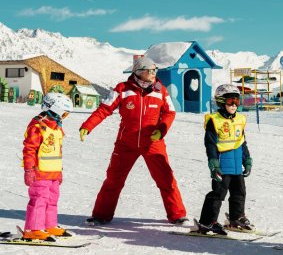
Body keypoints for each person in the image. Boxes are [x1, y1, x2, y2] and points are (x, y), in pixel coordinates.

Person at [79, 56, 188, 225]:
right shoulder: (122, 89)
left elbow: (170, 113)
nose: (153, 74)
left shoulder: (160, 90)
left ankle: (178, 215)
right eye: (149, 70)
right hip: (125, 144)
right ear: (138, 72)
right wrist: (88, 125)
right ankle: (101, 215)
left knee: (166, 179)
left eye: (154, 70)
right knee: (114, 179)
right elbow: (104, 109)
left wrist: (161, 130)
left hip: (153, 142)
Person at [194, 84, 253, 234]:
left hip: (236, 167)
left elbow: (242, 142)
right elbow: (210, 144)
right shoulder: (214, 121)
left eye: (237, 101)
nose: (234, 105)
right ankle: (207, 222)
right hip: (222, 166)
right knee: (217, 194)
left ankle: (236, 217)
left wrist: (247, 159)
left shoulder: (240, 119)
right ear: (221, 102)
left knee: (239, 192)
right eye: (230, 101)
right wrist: (213, 163)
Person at [21, 93, 73, 240]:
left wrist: (59, 172)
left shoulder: (57, 128)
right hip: (40, 172)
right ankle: (33, 229)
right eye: (64, 113)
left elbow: (57, 151)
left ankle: (49, 225)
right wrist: (29, 170)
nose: (64, 117)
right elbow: (29, 149)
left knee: (52, 199)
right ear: (55, 109)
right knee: (39, 199)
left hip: (53, 173)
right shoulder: (38, 126)